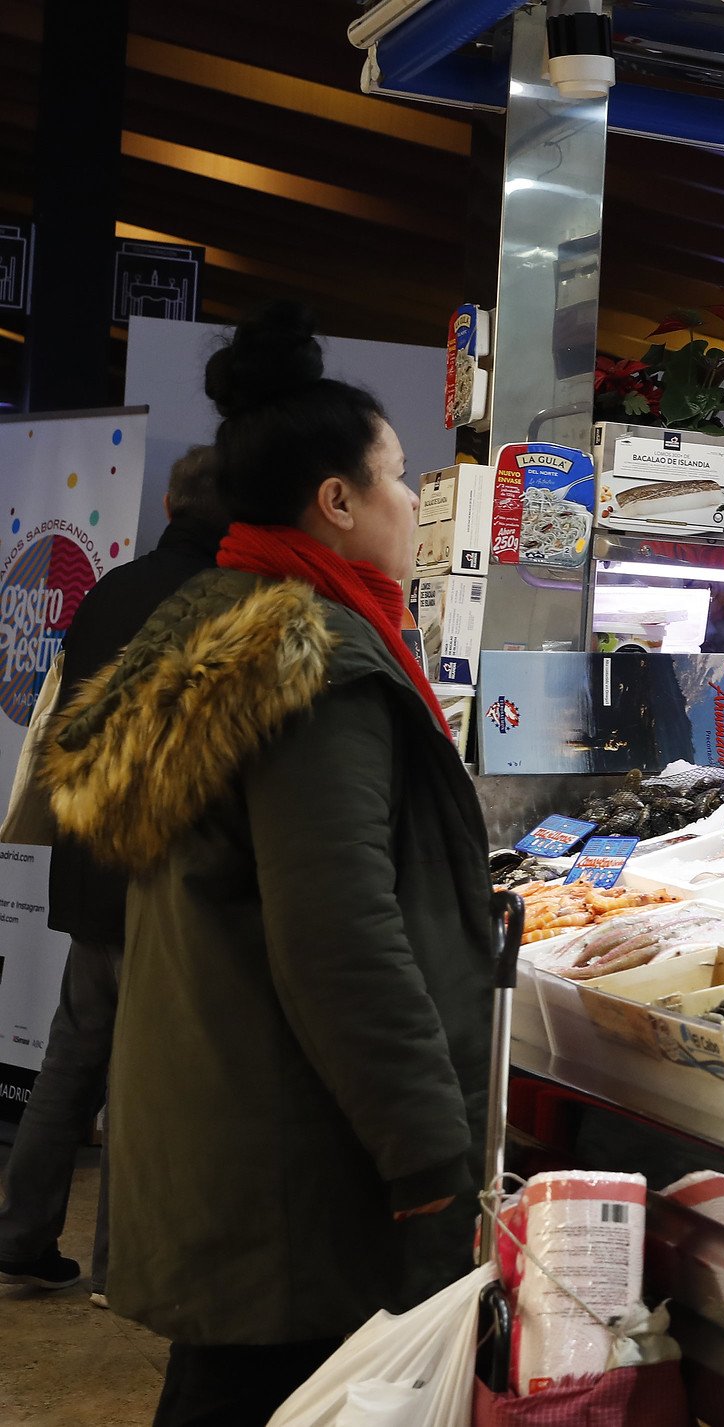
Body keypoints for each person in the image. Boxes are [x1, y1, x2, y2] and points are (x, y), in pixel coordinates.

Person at [39, 303, 493, 1427]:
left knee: (224, 1389)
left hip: (235, 1117)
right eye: (399, 476)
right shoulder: (313, 666)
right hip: (294, 1149)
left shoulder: (219, 622)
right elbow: (339, 935)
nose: (412, 499)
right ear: (337, 501)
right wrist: (429, 1156)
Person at [0, 447, 229, 1304]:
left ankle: (20, 1232)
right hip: (162, 873)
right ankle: (116, 1266)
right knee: (144, 1075)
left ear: (168, 503)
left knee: (71, 1059)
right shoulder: (225, 602)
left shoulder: (106, 591)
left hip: (87, 860)